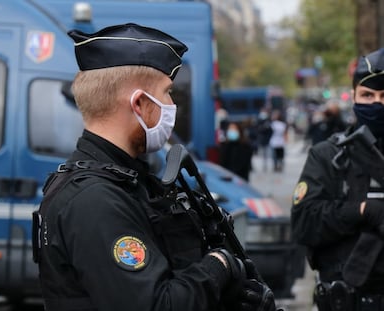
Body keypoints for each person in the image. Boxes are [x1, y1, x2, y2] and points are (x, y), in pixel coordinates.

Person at [32, 23, 278, 311]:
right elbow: (157, 305)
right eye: (167, 92)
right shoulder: (94, 200)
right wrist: (220, 265)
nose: (172, 104)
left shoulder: (127, 182)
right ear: (139, 103)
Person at [291, 47, 384, 311]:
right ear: (354, 96)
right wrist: (362, 210)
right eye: (367, 95)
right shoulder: (328, 155)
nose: (377, 103)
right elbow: (303, 223)